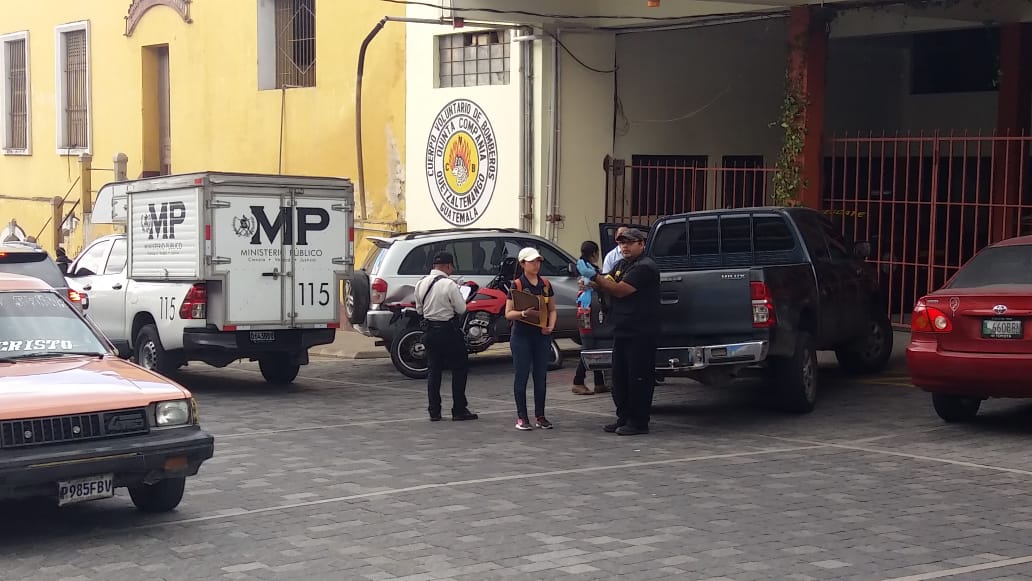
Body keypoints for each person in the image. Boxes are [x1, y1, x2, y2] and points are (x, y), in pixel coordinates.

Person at [582, 228, 660, 436]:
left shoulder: (645, 267)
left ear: (641, 244)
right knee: (620, 377)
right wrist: (589, 281)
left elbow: (620, 290)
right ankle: (624, 417)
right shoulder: (621, 265)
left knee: (638, 378)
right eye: (621, 243)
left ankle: (638, 421)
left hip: (641, 331)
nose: (624, 246)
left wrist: (596, 278)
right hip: (623, 329)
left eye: (629, 242)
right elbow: (609, 282)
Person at [414, 251, 479, 422]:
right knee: (459, 369)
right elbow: (461, 309)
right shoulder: (449, 285)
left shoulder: (420, 283)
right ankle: (459, 409)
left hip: (429, 332)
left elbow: (419, 310)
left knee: (434, 371)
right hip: (448, 332)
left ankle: (434, 411)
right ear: (448, 266)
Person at [504, 247, 558, 431]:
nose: (536, 265)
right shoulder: (517, 285)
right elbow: (508, 313)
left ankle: (540, 416)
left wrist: (550, 326)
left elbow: (552, 309)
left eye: (538, 261)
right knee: (521, 376)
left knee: (540, 376)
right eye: (532, 261)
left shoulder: (545, 284)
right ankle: (522, 416)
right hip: (521, 335)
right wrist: (523, 313)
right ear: (523, 264)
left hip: (541, 335)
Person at [572, 240, 607, 395]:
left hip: (584, 309)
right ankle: (578, 381)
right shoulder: (589, 270)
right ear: (594, 254)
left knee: (595, 344)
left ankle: (599, 382)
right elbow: (592, 285)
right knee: (589, 346)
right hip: (588, 310)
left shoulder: (582, 266)